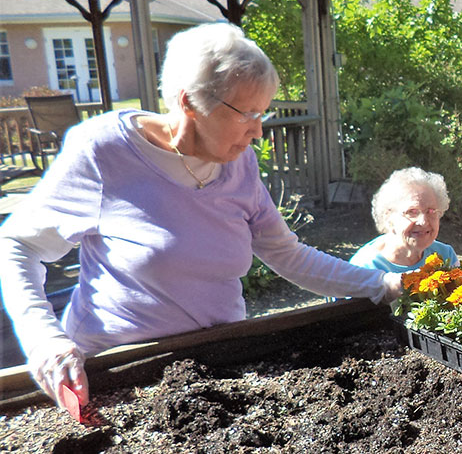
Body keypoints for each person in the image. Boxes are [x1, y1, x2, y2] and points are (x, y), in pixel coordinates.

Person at [0, 23, 403, 415]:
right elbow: (18, 245)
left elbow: (288, 255)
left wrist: (383, 284)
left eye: (263, 113)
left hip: (217, 368)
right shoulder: (104, 151)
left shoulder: (237, 162)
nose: (259, 132)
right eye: (247, 114)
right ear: (189, 101)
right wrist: (44, 340)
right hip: (113, 377)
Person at [349, 167, 459, 273]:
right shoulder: (364, 267)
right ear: (389, 217)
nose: (423, 221)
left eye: (430, 211)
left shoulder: (445, 256)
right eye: (412, 212)